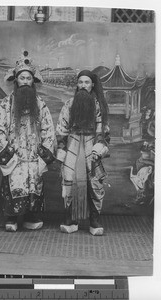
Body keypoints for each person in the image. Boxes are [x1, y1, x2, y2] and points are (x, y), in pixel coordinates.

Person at [0, 50, 55, 232]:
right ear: (16, 80)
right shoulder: (6, 104)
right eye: (22, 78)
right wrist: (7, 154)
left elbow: (49, 130)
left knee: (34, 184)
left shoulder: (40, 104)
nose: (25, 81)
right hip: (14, 156)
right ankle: (11, 217)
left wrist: (44, 155)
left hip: (34, 156)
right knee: (13, 184)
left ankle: (32, 216)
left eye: (28, 78)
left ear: (33, 81)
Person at [56, 70, 110, 235]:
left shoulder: (98, 106)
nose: (83, 86)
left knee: (94, 182)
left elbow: (103, 131)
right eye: (80, 82)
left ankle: (94, 219)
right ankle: (71, 218)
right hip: (73, 145)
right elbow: (62, 129)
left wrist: (98, 147)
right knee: (69, 179)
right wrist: (61, 150)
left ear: (92, 85)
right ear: (77, 85)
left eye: (87, 82)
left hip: (91, 146)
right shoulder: (69, 104)